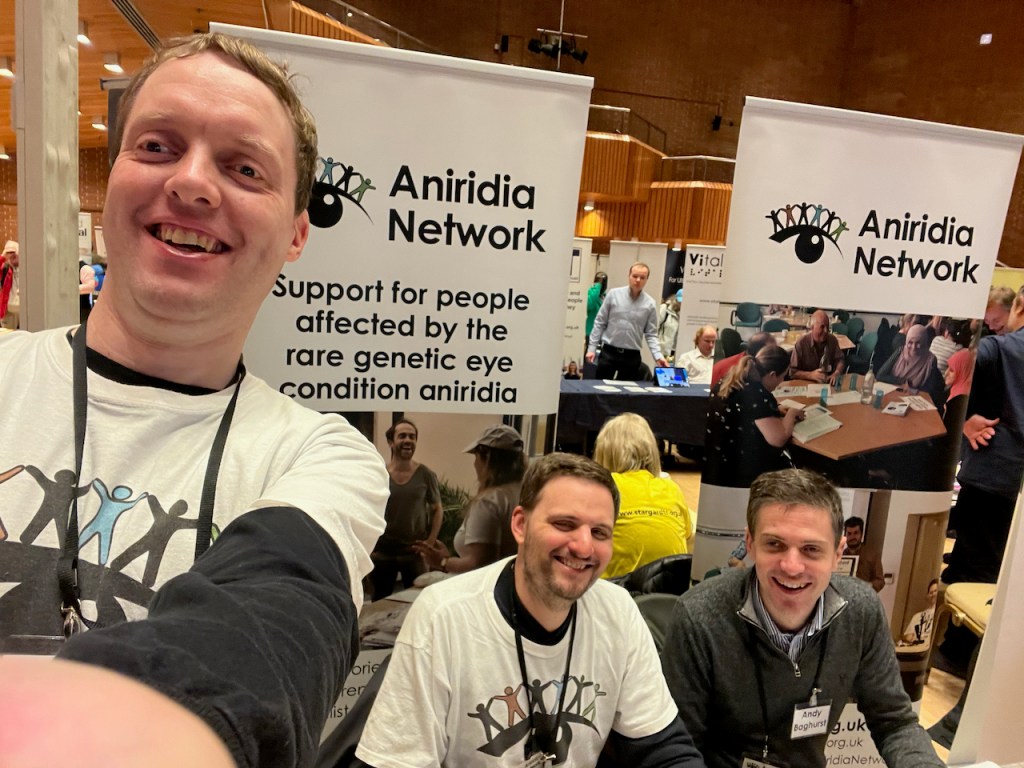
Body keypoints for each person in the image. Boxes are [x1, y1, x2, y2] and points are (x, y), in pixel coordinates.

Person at [0, 33, 389, 767]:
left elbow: (269, 633)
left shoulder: (319, 456)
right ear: (111, 177)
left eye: (244, 167)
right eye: (156, 146)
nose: (192, 183)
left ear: (298, 233)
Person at [356, 453, 707, 768]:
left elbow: (664, 748)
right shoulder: (444, 617)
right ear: (520, 525)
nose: (584, 546)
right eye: (565, 524)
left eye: (599, 532)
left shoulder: (618, 613)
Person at [663, 468, 943, 768]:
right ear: (750, 543)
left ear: (838, 554)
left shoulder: (861, 611)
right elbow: (677, 750)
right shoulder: (699, 616)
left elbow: (895, 723)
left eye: (811, 550)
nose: (792, 566)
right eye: (775, 544)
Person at [942, 283, 1024, 586]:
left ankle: (962, 634)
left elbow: (965, 366)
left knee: (977, 573)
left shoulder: (1001, 348)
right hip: (1010, 480)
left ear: (1019, 306)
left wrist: (962, 418)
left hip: (993, 472)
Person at [592, 413, 694, 578]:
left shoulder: (603, 487)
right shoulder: (671, 488)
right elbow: (688, 535)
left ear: (605, 450)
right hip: (670, 592)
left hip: (618, 590)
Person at [415, 424, 526, 574]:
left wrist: (442, 561)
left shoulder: (489, 502)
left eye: (476, 456)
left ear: (486, 457)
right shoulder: (527, 493)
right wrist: (452, 558)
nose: (475, 463)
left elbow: (480, 565)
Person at [704, 346, 803, 488]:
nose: (781, 382)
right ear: (773, 375)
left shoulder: (734, 379)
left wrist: (775, 410)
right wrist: (793, 413)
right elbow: (778, 438)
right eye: (782, 377)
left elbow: (744, 410)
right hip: (737, 471)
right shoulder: (758, 395)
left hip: (715, 462)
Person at [370, 419, 443, 599]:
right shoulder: (379, 473)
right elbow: (367, 508)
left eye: (412, 437)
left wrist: (431, 541)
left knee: (417, 603)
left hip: (414, 554)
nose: (408, 440)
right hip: (382, 553)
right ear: (391, 442)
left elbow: (437, 509)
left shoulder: (425, 475)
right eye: (402, 436)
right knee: (380, 604)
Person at [586, 262, 668, 380]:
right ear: (629, 276)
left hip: (631, 356)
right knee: (600, 391)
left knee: (626, 395)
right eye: (635, 276)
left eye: (642, 277)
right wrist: (591, 348)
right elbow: (600, 322)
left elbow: (651, 334)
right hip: (609, 351)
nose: (638, 280)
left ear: (647, 280)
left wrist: (658, 356)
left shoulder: (650, 304)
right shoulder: (613, 295)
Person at [876, 324, 945, 406]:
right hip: (890, 397)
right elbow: (880, 375)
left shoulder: (930, 360)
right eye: (910, 342)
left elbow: (928, 390)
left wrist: (912, 390)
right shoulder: (900, 351)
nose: (913, 347)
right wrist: (903, 381)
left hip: (911, 402)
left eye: (918, 343)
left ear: (924, 342)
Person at [789, 309, 845, 385]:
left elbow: (840, 360)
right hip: (806, 384)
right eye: (822, 327)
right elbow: (792, 372)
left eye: (827, 326)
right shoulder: (801, 343)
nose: (826, 331)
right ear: (812, 327)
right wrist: (810, 375)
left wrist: (836, 373)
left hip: (827, 383)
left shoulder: (832, 340)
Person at [710, 330, 777, 387]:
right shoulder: (743, 371)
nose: (775, 354)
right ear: (760, 353)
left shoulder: (746, 358)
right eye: (771, 351)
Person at [843, 516, 884, 592]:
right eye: (849, 534)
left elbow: (880, 581)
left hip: (863, 599)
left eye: (856, 533)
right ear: (845, 536)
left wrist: (866, 586)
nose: (852, 537)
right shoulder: (839, 556)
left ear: (861, 534)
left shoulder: (872, 555)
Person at [902, 578, 939, 645]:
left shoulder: (942, 615)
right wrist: (907, 637)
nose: (933, 594)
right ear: (927, 595)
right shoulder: (917, 616)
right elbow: (905, 637)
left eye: (936, 591)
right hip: (915, 649)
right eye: (931, 592)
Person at [657, 292, 681, 362]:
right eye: (679, 300)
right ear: (676, 299)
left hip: (677, 354)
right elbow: (653, 327)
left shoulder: (686, 315)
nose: (681, 303)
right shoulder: (665, 308)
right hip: (662, 352)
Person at [586, 270, 608, 342]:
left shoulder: (605, 297)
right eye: (602, 282)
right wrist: (598, 285)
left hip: (603, 334)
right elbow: (589, 304)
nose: (602, 284)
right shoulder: (591, 294)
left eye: (604, 282)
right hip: (591, 333)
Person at [0, 239, 18, 326]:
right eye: (9, 253)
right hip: (8, 311)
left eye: (14, 251)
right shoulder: (5, 269)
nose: (12, 255)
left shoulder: (28, 268)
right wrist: (3, 256)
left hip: (22, 310)